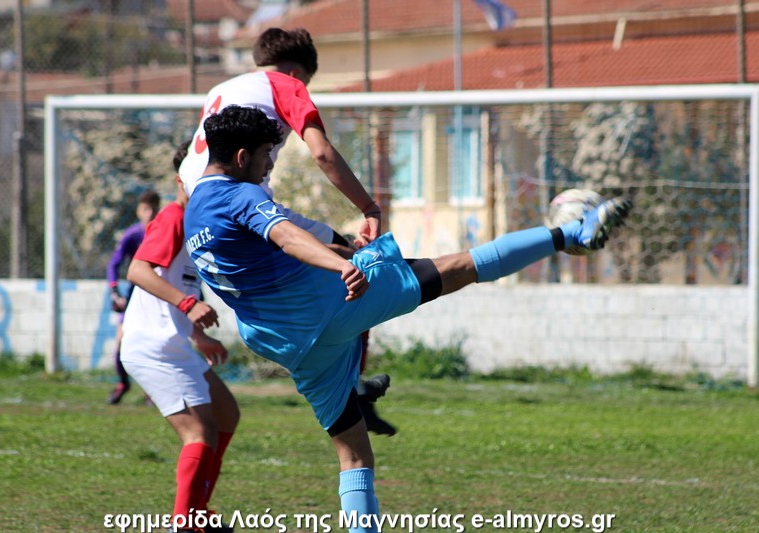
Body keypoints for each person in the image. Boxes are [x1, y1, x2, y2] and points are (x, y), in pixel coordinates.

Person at [182, 106, 632, 532]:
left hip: (281, 340)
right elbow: (285, 237)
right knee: (459, 267)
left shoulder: (195, 209)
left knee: (354, 454)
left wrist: (339, 252)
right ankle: (572, 232)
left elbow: (269, 250)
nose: (268, 169)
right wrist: (341, 266)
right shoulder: (240, 194)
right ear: (242, 157)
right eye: (264, 158)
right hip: (324, 306)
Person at [179, 26, 396, 435]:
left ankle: (346, 383)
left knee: (306, 272)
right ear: (299, 72)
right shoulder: (285, 84)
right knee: (353, 258)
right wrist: (368, 206)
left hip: (199, 207)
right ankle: (350, 388)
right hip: (240, 202)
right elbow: (322, 152)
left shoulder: (221, 89)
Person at [120, 142, 239, 533]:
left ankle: (198, 512)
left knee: (226, 414)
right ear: (181, 180)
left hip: (171, 342)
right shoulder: (173, 216)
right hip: (151, 347)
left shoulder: (195, 224)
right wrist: (189, 306)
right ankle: (185, 523)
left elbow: (174, 283)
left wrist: (195, 334)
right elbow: (138, 271)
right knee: (199, 432)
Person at [106, 188, 161, 404]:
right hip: (133, 295)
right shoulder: (133, 235)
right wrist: (114, 292)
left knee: (157, 346)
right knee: (120, 345)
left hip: (158, 297)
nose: (149, 214)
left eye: (153, 209)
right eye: (145, 209)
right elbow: (114, 263)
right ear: (139, 211)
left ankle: (152, 390)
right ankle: (123, 382)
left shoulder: (164, 232)